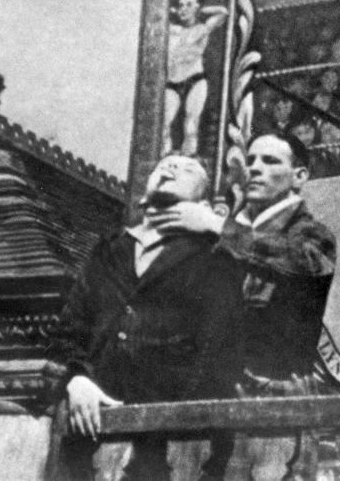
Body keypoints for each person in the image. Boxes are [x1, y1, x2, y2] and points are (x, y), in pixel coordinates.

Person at [149, 133, 337, 480]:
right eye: (250, 161)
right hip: (210, 406)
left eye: (270, 161)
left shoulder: (313, 235)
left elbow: (302, 263)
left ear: (300, 176)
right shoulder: (223, 234)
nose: (254, 169)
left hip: (274, 408)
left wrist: (217, 226)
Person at [52, 155, 241, 479]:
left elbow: (217, 352)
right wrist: (77, 378)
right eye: (163, 165)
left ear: (203, 202)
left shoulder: (215, 259)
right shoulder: (109, 251)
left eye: (186, 169)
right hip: (90, 440)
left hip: (174, 446)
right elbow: (69, 331)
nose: (170, 168)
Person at [163, 0, 228, 156]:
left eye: (188, 4)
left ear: (198, 7)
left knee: (191, 126)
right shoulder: (172, 30)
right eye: (181, 5)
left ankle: (187, 160)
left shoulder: (202, 29)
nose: (183, 9)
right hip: (173, 82)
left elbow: (223, 12)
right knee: (164, 124)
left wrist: (201, 10)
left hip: (195, 81)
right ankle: (164, 159)